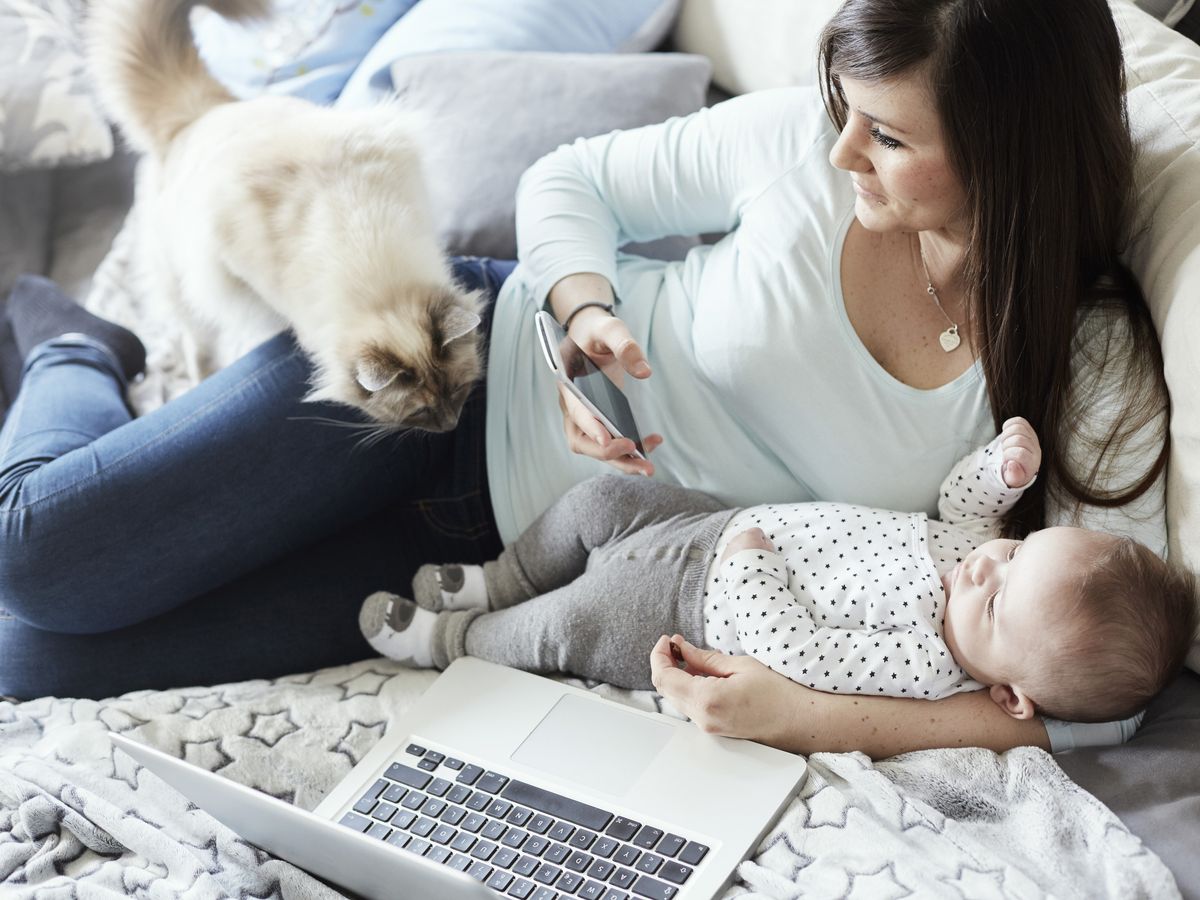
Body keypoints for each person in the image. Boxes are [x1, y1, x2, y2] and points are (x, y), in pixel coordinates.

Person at [0, 0, 1169, 760]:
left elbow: (1103, 694)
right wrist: (582, 308)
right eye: (846, 116)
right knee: (35, 555)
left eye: (890, 139)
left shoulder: (1084, 364)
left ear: (1008, 157)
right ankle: (73, 346)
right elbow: (572, 181)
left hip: (501, 569)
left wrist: (814, 716)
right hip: (452, 376)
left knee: (28, 661)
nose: (842, 151)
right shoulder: (796, 156)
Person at [359, 419, 1196, 725]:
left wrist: (751, 571)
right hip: (714, 522)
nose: (983, 568)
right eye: (1018, 550)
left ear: (1008, 695)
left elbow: (798, 654)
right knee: (599, 500)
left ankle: (452, 637)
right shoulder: (972, 558)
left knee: (565, 627)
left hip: (692, 604)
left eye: (998, 600)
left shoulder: (926, 663)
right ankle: (498, 577)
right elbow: (963, 512)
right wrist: (1000, 473)